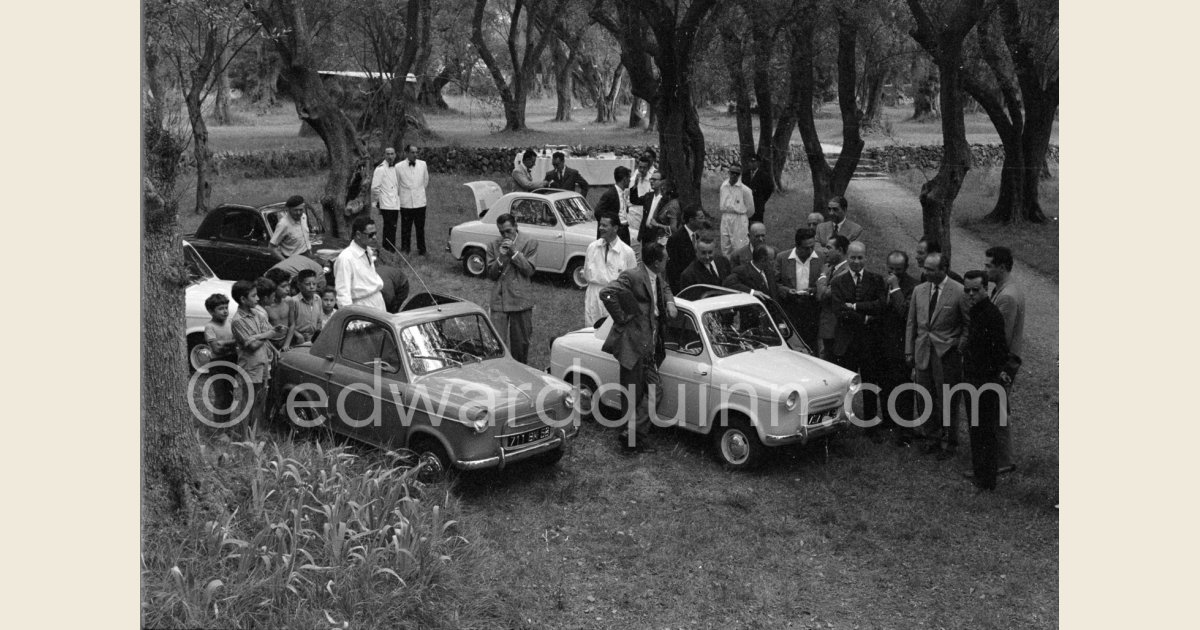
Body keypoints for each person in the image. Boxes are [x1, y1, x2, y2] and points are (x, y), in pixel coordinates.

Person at [599, 241, 678, 453]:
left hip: (649, 346)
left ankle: (632, 432)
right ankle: (629, 442)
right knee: (631, 394)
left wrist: (670, 302)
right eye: (666, 259)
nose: (668, 261)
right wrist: (622, 317)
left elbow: (665, 286)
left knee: (655, 389)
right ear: (656, 262)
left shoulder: (657, 275)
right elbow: (607, 292)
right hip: (632, 345)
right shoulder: (633, 276)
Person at [905, 252, 970, 459]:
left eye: (931, 269)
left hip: (946, 354)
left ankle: (949, 441)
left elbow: (968, 325)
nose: (926, 272)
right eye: (925, 268)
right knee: (925, 396)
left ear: (944, 269)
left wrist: (958, 347)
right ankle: (931, 436)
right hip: (923, 351)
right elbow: (911, 323)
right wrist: (909, 350)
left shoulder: (959, 291)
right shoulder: (919, 290)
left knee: (947, 398)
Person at [960, 270, 1015, 491]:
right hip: (974, 378)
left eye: (976, 290)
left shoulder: (991, 315)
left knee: (984, 430)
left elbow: (1000, 351)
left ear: (985, 289)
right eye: (967, 290)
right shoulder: (977, 312)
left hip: (984, 381)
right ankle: (980, 472)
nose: (971, 294)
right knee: (977, 428)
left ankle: (986, 479)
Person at [831, 241, 888, 427]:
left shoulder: (877, 280)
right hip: (847, 341)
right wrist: (864, 317)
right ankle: (842, 422)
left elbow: (880, 306)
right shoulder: (838, 281)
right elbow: (840, 311)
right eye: (853, 257)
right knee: (846, 386)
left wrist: (855, 307)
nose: (856, 261)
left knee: (870, 384)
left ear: (866, 257)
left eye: (860, 257)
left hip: (870, 341)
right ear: (847, 257)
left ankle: (870, 423)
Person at [985, 246, 1024, 474]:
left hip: (1003, 362)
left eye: (988, 265)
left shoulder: (1007, 296)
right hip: (1005, 359)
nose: (985, 269)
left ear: (1001, 267)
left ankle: (1004, 459)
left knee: (997, 407)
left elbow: (1002, 336)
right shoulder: (1007, 289)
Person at [876, 250, 919, 445]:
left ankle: (905, 429)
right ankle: (888, 420)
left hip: (902, 344)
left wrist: (894, 288)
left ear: (906, 268)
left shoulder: (913, 286)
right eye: (890, 269)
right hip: (884, 342)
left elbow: (905, 312)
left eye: (898, 270)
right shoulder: (882, 282)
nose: (893, 273)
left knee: (903, 387)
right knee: (885, 384)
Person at [231, 279, 283, 435]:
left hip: (262, 362)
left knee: (260, 399)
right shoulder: (238, 321)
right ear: (243, 299)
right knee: (248, 401)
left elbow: (272, 334)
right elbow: (252, 345)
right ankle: (243, 435)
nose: (258, 299)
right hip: (250, 365)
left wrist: (260, 336)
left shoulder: (256, 314)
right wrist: (267, 334)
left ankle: (256, 431)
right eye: (254, 296)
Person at [486, 213, 538, 364]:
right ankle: (499, 373)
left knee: (520, 344)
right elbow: (491, 275)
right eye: (501, 232)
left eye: (508, 231)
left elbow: (529, 271)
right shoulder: (493, 245)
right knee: (496, 343)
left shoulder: (530, 242)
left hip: (521, 299)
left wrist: (514, 253)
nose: (505, 235)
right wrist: (501, 258)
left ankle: (519, 373)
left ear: (516, 226)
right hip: (499, 300)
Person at [583, 214, 637, 327]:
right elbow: (587, 272)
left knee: (611, 334)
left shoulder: (627, 252)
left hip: (615, 299)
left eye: (604, 225)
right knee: (590, 332)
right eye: (600, 225)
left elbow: (633, 282)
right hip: (593, 296)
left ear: (615, 228)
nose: (600, 228)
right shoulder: (592, 247)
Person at [776, 228, 823, 352]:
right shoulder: (782, 258)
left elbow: (825, 281)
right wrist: (786, 290)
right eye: (806, 248)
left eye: (812, 247)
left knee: (811, 343)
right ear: (797, 246)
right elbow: (774, 282)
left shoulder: (821, 257)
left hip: (812, 308)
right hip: (790, 308)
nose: (810, 251)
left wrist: (814, 290)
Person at [333, 217, 386, 310]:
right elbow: (343, 293)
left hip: (377, 301)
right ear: (358, 234)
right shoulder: (346, 258)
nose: (374, 237)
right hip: (362, 306)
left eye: (375, 234)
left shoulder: (368, 251)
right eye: (371, 234)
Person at [203, 293, 238, 426]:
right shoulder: (210, 327)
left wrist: (224, 343)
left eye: (226, 307)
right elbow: (216, 349)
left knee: (229, 395)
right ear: (211, 311)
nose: (225, 311)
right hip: (218, 364)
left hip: (231, 361)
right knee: (221, 396)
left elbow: (231, 342)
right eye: (220, 309)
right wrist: (233, 343)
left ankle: (226, 424)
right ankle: (219, 429)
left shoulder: (230, 323)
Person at [816, 235, 851, 361]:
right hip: (829, 328)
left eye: (829, 247)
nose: (825, 251)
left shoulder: (844, 272)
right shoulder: (833, 268)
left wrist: (822, 275)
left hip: (833, 329)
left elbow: (822, 295)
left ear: (840, 250)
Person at [397, 144, 430, 256]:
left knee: (420, 227)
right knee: (406, 227)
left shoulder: (423, 164)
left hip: (420, 202)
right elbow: (397, 184)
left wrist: (418, 192)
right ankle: (405, 249)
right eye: (412, 152)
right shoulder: (399, 166)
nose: (415, 154)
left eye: (416, 152)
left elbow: (425, 181)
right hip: (406, 202)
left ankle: (422, 250)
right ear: (407, 153)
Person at [665, 204, 707, 293]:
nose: (704, 220)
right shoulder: (676, 239)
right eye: (701, 218)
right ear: (691, 220)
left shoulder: (696, 236)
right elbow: (672, 270)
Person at [718, 164, 753, 257]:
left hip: (739, 218)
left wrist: (742, 218)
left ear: (740, 174)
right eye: (732, 172)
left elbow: (750, 209)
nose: (734, 175)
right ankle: (727, 267)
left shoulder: (745, 190)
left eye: (737, 173)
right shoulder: (723, 186)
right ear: (729, 172)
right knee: (725, 245)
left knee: (740, 246)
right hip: (725, 217)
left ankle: (742, 267)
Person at [371, 147, 401, 253]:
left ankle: (391, 248)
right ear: (384, 155)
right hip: (386, 203)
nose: (390, 156)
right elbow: (375, 188)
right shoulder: (380, 169)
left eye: (392, 154)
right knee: (388, 227)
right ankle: (387, 248)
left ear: (395, 155)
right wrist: (377, 202)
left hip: (395, 203)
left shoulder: (397, 168)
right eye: (388, 154)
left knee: (393, 227)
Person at [285, 269, 323, 350]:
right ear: (299, 285)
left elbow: (319, 321)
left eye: (314, 284)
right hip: (297, 342)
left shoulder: (318, 299)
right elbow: (289, 324)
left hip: (312, 341)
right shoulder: (294, 301)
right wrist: (298, 335)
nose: (312, 287)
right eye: (308, 284)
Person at [594, 166, 633, 244]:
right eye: (629, 178)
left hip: (624, 229)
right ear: (625, 179)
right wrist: (610, 226)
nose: (630, 180)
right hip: (616, 231)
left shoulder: (623, 192)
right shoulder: (610, 194)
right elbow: (598, 212)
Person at [637, 176, 680, 246]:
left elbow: (673, 229)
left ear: (669, 190)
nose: (661, 193)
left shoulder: (673, 205)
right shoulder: (664, 202)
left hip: (666, 241)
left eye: (662, 190)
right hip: (658, 238)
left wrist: (657, 225)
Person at [627, 153, 657, 242]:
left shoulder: (651, 181)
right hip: (633, 213)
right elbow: (630, 197)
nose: (642, 170)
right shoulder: (634, 179)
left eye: (644, 168)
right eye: (640, 167)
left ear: (648, 168)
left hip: (644, 214)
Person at [744, 153, 775, 224]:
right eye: (749, 162)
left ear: (758, 163)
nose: (751, 164)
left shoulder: (764, 176)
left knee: (757, 227)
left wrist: (762, 200)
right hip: (746, 205)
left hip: (758, 205)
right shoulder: (745, 175)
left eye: (753, 162)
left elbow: (769, 190)